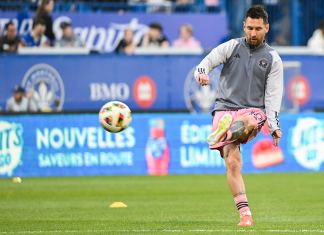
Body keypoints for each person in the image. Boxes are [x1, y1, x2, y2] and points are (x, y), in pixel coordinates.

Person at [194, 5, 283, 227]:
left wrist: (273, 125)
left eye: (258, 29)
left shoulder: (273, 58)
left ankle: (224, 131)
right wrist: (202, 75)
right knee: (233, 163)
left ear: (267, 28)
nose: (253, 33)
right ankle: (245, 214)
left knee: (249, 121)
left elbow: (273, 95)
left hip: (253, 111)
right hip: (224, 108)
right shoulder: (231, 47)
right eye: (250, 28)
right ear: (244, 26)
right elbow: (205, 64)